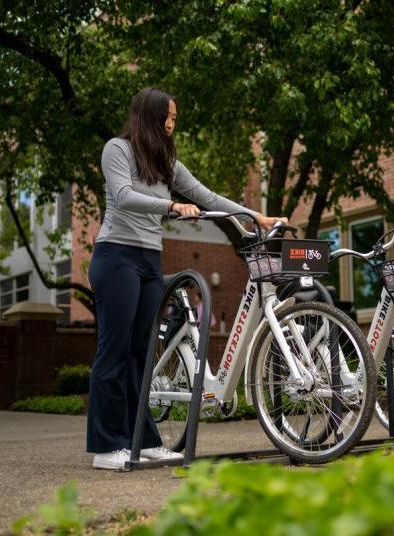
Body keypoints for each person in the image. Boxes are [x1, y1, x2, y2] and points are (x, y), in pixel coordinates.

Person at [87, 87, 284, 469]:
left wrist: (252, 215)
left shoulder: (166, 164)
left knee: (141, 355)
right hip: (116, 256)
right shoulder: (117, 149)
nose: (173, 125)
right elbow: (124, 196)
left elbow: (206, 195)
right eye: (169, 117)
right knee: (114, 352)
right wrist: (171, 206)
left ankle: (142, 440)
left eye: (175, 118)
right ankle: (106, 445)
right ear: (150, 117)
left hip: (149, 259)